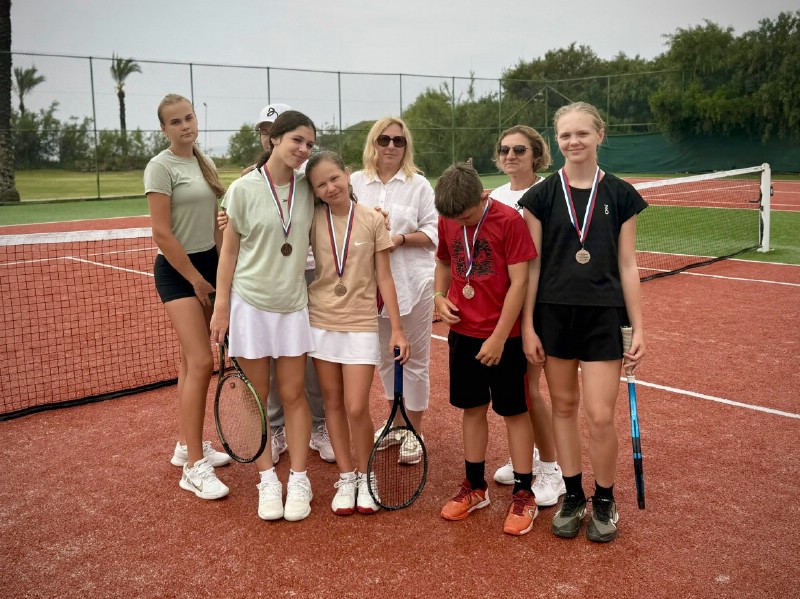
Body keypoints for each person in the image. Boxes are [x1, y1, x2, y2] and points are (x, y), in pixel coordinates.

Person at [518, 101, 647, 543]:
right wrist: (528, 326)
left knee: (600, 415)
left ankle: (605, 498)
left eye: (582, 133)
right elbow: (532, 266)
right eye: (565, 135)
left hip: (604, 318)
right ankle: (573, 495)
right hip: (553, 317)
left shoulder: (621, 194)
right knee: (564, 407)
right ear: (557, 141)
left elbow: (628, 264)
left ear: (599, 135)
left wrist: (639, 327)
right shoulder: (539, 197)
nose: (574, 141)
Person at [210, 110, 318, 522]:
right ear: (274, 138)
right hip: (249, 306)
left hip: (292, 306)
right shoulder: (241, 190)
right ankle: (267, 479)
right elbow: (229, 253)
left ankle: (300, 479)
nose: (303, 149)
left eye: (309, 144)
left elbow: (345, 198)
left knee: (293, 395)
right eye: (297, 140)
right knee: (257, 399)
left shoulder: (309, 187)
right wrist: (221, 308)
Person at [434, 162, 539, 536]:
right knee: (472, 409)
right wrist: (438, 296)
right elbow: (444, 261)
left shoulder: (509, 221)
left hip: (504, 339)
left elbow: (520, 283)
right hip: (463, 334)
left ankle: (524, 493)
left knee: (514, 412)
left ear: (482, 197)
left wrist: (498, 336)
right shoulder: (448, 218)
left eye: (466, 216)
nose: (460, 223)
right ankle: (475, 487)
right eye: (455, 219)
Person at [304, 151, 410, 515]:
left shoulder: (372, 219)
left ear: (347, 175)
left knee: (356, 405)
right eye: (321, 184)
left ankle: (367, 475)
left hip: (361, 323)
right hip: (320, 321)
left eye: (334, 178)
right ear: (314, 191)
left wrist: (397, 329)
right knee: (331, 402)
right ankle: (347, 476)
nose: (330, 187)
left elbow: (385, 277)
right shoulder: (311, 219)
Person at [144, 93, 231, 500]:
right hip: (178, 273)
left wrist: (224, 272)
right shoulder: (159, 167)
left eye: (189, 118)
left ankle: (186, 445)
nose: (185, 126)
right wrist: (197, 281)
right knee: (201, 361)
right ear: (164, 129)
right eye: (176, 121)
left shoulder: (204, 162)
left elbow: (214, 224)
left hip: (209, 266)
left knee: (187, 362)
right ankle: (193, 467)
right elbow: (161, 233)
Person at [240, 102, 334, 465]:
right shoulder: (250, 182)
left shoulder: (308, 179)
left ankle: (320, 426)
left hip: (308, 276)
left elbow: (340, 199)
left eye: (306, 142)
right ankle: (275, 428)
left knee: (309, 362)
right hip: (268, 283)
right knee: (269, 366)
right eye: (263, 130)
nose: (267, 135)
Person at [350, 117, 438, 465]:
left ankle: (414, 430)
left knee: (413, 360)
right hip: (369, 287)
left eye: (398, 141)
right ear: (373, 143)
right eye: (384, 139)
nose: (390, 146)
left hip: (412, 283)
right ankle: (395, 424)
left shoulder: (419, 185)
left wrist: (397, 238)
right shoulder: (355, 182)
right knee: (387, 358)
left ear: (406, 146)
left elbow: (432, 233)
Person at [488, 125, 566, 508]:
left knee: (531, 389)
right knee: (516, 389)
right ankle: (530, 456)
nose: (511, 156)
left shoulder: (551, 192)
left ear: (536, 154)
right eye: (505, 150)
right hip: (505, 303)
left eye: (519, 150)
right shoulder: (495, 197)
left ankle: (553, 470)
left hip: (540, 302)